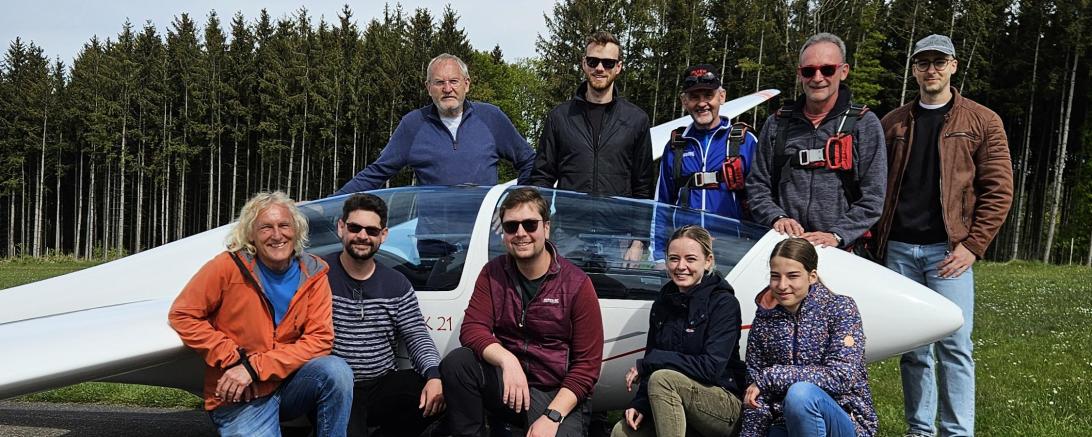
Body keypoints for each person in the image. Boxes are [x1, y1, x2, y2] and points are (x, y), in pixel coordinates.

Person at [874, 34, 1013, 437]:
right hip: (898, 249)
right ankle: (920, 430)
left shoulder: (982, 120)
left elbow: (999, 189)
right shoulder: (894, 122)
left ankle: (957, 432)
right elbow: (875, 184)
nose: (930, 70)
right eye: (923, 63)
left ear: (953, 66)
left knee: (955, 346)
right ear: (914, 69)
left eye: (939, 62)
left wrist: (973, 246)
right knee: (914, 349)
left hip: (949, 252)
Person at [168, 191, 353, 437]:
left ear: (296, 230)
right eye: (266, 227)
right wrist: (233, 358)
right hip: (241, 395)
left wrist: (255, 367)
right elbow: (183, 314)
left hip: (288, 383)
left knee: (336, 371)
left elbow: (320, 340)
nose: (277, 235)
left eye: (284, 225)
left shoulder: (314, 273)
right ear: (251, 235)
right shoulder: (227, 266)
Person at [441, 187, 604, 437]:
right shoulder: (492, 273)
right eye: (511, 226)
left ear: (546, 228)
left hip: (555, 392)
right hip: (508, 384)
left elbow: (587, 366)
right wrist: (507, 360)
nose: (521, 233)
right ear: (503, 234)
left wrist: (552, 416)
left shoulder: (577, 284)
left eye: (530, 224)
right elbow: (472, 328)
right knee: (459, 362)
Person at [746, 33, 886, 250]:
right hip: (785, 249)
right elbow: (757, 185)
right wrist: (777, 218)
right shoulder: (777, 123)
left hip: (840, 251)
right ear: (799, 74)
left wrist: (837, 234)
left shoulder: (863, 124)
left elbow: (873, 197)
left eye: (827, 69)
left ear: (844, 71)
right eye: (809, 71)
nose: (817, 77)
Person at [323, 193, 445, 437]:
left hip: (380, 383)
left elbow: (416, 335)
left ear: (383, 235)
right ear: (341, 227)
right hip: (334, 387)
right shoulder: (318, 275)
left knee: (442, 392)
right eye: (355, 227)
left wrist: (434, 375)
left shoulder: (396, 284)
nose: (362, 236)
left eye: (371, 230)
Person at [531, 31, 653, 271]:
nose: (600, 68)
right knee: (561, 304)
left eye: (608, 63)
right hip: (568, 236)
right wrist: (541, 228)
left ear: (618, 67)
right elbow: (542, 177)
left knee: (617, 306)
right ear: (583, 64)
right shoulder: (560, 117)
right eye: (593, 61)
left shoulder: (636, 120)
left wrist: (639, 241)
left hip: (617, 238)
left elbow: (644, 186)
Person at [334, 53, 536, 195]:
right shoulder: (413, 124)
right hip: (434, 242)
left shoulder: (491, 117)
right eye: (439, 82)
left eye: (454, 81)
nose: (447, 89)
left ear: (467, 84)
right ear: (428, 88)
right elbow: (376, 173)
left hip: (485, 236)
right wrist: (324, 205)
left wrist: (515, 205)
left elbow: (529, 161)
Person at [612, 225, 745, 437]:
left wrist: (651, 362)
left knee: (663, 379)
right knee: (623, 432)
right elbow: (652, 360)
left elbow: (711, 368)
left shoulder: (724, 303)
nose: (681, 266)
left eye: (691, 259)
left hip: (723, 402)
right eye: (674, 259)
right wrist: (640, 404)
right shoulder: (662, 304)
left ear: (708, 261)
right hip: (673, 397)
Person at [741, 237, 877, 437]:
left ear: (812, 276)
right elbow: (755, 395)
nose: (782, 285)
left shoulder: (841, 308)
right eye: (775, 276)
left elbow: (840, 376)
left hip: (844, 420)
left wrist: (772, 376)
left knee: (800, 394)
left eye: (793, 276)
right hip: (784, 422)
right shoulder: (764, 320)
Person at [651, 64, 760, 262]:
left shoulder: (745, 141)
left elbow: (761, 198)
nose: (702, 104)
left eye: (708, 95)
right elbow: (662, 205)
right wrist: (659, 255)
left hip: (732, 252)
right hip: (686, 254)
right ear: (684, 101)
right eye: (694, 97)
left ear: (722, 96)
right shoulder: (676, 146)